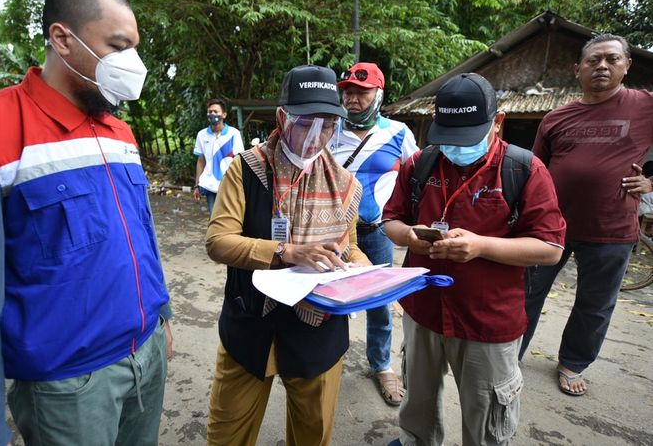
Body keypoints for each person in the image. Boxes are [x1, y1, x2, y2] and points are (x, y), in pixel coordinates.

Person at [0, 0, 173, 446]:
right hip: (69, 388)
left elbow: (140, 235)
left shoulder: (118, 132)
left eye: (134, 48)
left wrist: (161, 321)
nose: (132, 63)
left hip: (147, 358)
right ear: (63, 38)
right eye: (118, 45)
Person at [382, 73, 566, 446]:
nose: (455, 147)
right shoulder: (420, 164)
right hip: (424, 308)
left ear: (497, 123)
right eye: (447, 136)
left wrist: (481, 247)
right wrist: (408, 236)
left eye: (466, 137)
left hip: (487, 318)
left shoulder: (524, 170)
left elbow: (550, 249)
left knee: (487, 416)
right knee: (417, 399)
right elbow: (391, 219)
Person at [205, 64, 370, 446]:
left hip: (318, 329)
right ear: (282, 117)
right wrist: (285, 251)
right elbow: (218, 241)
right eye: (305, 123)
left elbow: (351, 245)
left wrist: (363, 270)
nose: (316, 137)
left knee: (313, 434)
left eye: (327, 125)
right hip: (251, 324)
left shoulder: (344, 184)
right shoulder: (247, 170)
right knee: (226, 434)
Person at [520, 34, 653, 396]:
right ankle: (508, 355)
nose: (602, 66)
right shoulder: (556, 117)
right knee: (527, 293)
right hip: (550, 227)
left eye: (612, 59)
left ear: (627, 66)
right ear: (577, 69)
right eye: (594, 61)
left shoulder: (645, 106)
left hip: (611, 229)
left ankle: (573, 362)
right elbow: (537, 170)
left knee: (594, 304)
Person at [329, 62, 417, 406]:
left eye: (361, 92)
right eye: (347, 91)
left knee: (379, 304)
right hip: (333, 233)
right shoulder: (329, 131)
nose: (352, 98)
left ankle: (382, 365)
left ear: (378, 95)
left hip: (378, 232)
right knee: (333, 300)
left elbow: (416, 177)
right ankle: (329, 362)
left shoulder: (398, 132)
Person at [193, 98, 245, 213]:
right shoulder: (202, 135)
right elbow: (201, 161)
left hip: (229, 184)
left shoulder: (234, 134)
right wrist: (197, 185)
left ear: (224, 115)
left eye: (216, 112)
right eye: (210, 111)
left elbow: (239, 161)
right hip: (210, 185)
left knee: (230, 218)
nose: (212, 114)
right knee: (214, 217)